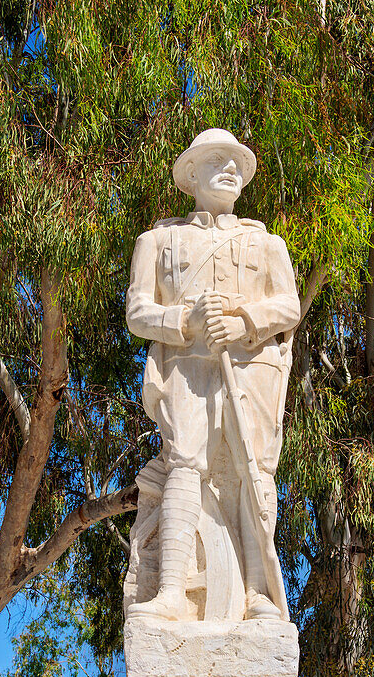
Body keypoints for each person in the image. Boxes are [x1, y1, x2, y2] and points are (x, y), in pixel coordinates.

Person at [125, 128, 300, 621]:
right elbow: (138, 311)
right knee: (184, 464)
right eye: (218, 160)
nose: (231, 170)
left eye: (238, 165)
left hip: (249, 371)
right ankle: (172, 593)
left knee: (251, 468)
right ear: (192, 172)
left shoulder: (266, 244)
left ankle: (259, 594)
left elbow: (287, 305)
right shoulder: (158, 241)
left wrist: (245, 320)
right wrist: (185, 321)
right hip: (185, 369)